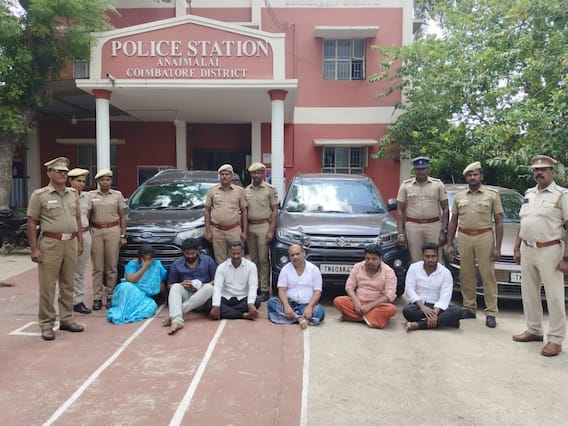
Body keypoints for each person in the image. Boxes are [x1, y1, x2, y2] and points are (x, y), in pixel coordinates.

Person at [512, 155, 568, 357]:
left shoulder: (562, 195)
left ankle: (555, 339)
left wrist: (566, 258)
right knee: (529, 293)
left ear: (552, 171)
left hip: (550, 250)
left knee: (554, 296)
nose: (539, 172)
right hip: (528, 248)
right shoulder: (529, 193)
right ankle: (534, 330)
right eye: (536, 170)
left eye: (543, 169)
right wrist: (517, 247)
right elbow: (523, 222)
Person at [27, 157, 84, 341]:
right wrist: (34, 249)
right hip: (50, 244)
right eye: (58, 171)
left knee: (68, 284)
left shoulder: (73, 194)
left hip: (70, 243)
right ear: (49, 173)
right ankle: (46, 324)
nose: (63, 174)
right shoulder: (39, 195)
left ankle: (67, 319)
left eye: (65, 171)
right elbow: (31, 222)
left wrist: (80, 242)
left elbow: (77, 219)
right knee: (48, 286)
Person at [446, 161, 503, 328]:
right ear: (466, 178)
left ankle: (491, 312)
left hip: (484, 236)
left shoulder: (492, 195)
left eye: (475, 174)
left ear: (481, 176)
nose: (472, 177)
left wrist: (497, 246)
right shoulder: (459, 196)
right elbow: (453, 221)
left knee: (487, 275)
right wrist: (449, 243)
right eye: (469, 175)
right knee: (466, 274)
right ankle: (469, 307)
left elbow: (499, 221)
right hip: (464, 236)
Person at [396, 156, 449, 263]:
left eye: (424, 168)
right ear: (414, 170)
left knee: (436, 258)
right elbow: (400, 210)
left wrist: (444, 231)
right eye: (418, 169)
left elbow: (446, 209)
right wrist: (401, 233)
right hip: (413, 226)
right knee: (416, 259)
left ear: (429, 169)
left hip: (433, 226)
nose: (421, 171)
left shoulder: (438, 184)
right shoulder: (405, 186)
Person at [333, 244, 398, 329]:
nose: (370, 261)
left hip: (376, 305)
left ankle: (356, 318)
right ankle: (371, 319)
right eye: (368, 258)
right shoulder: (358, 267)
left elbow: (389, 295)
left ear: (380, 259)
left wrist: (370, 306)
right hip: (358, 304)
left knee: (391, 309)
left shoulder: (389, 272)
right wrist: (356, 302)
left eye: (374, 259)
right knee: (338, 301)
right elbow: (349, 286)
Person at [89, 169, 127, 310]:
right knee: (97, 267)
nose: (105, 182)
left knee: (111, 266)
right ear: (98, 181)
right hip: (96, 231)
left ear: (111, 181)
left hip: (113, 231)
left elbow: (122, 216)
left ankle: (110, 295)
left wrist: (123, 235)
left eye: (108, 179)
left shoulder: (117, 195)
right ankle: (97, 297)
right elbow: (87, 216)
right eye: (102, 180)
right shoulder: (91, 195)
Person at [403, 243, 462, 331]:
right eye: (427, 256)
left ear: (438, 257)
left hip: (438, 306)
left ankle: (418, 325)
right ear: (422, 257)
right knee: (407, 311)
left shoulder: (445, 273)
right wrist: (423, 307)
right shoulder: (413, 268)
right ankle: (447, 321)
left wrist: (435, 312)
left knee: (457, 311)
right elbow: (409, 289)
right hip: (419, 305)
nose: (430, 259)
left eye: (433, 256)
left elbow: (445, 296)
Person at [164, 238, 217, 335]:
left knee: (210, 288)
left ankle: (174, 315)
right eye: (187, 254)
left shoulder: (208, 260)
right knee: (175, 287)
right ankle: (177, 321)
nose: (190, 256)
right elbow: (170, 285)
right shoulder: (177, 264)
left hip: (203, 297)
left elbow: (216, 281)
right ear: (183, 252)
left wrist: (202, 285)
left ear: (198, 251)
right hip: (187, 294)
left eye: (193, 253)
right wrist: (182, 284)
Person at [267, 244, 325, 328]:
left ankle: (292, 318)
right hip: (290, 304)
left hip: (306, 304)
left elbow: (317, 292)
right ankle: (300, 319)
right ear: (289, 257)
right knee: (271, 303)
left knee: (320, 312)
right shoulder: (285, 269)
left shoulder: (314, 270)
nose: (295, 257)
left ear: (304, 253)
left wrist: (309, 307)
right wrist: (286, 306)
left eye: (298, 254)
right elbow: (282, 290)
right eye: (292, 255)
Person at [107, 244, 166, 325]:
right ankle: (123, 312)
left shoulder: (156, 265)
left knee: (152, 305)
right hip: (130, 291)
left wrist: (166, 298)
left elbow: (160, 283)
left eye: (149, 259)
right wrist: (144, 268)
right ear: (140, 257)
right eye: (145, 259)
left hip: (143, 296)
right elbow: (130, 279)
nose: (147, 261)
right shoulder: (133, 264)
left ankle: (129, 314)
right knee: (125, 286)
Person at [245, 162, 278, 302]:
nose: (256, 175)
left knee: (264, 259)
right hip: (250, 227)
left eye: (259, 173)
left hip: (264, 226)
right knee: (253, 260)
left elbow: (275, 211)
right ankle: (256, 286)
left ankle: (265, 289)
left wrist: (271, 230)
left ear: (263, 174)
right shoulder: (246, 190)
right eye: (254, 173)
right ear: (251, 174)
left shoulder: (270, 189)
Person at [204, 164, 248, 264]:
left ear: (231, 176)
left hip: (234, 230)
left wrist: (244, 231)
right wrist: (208, 231)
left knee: (236, 258)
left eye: (227, 174)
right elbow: (207, 211)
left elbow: (244, 211)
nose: (224, 176)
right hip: (217, 231)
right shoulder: (212, 191)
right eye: (222, 174)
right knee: (220, 261)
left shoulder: (239, 191)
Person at [209, 241, 261, 320]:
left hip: (243, 298)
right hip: (226, 298)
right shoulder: (221, 267)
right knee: (209, 303)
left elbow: (253, 286)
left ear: (243, 252)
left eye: (238, 253)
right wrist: (216, 305)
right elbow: (217, 287)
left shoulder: (251, 266)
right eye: (233, 253)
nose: (236, 256)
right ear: (229, 252)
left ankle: (226, 312)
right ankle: (243, 315)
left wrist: (250, 303)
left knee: (256, 301)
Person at [67, 168, 92, 315]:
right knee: (67, 270)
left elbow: (87, 215)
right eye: (78, 181)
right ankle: (66, 300)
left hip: (85, 233)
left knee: (80, 271)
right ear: (70, 181)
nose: (81, 184)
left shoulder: (87, 197)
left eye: (83, 181)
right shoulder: (65, 196)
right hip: (70, 236)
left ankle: (78, 301)